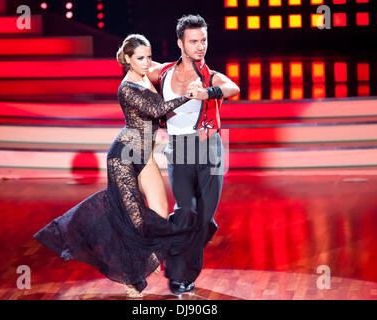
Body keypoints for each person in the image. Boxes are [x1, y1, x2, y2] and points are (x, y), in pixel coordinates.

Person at [33, 34, 206, 298]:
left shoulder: (146, 71)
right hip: (123, 158)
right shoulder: (126, 88)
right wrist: (190, 95)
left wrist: (189, 59)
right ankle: (131, 279)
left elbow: (171, 68)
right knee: (133, 222)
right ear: (127, 60)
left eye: (149, 56)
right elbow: (159, 109)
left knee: (159, 213)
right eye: (141, 58)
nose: (147, 62)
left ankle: (149, 258)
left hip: (145, 156)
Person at [147, 14, 240, 295]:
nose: (200, 46)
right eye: (194, 41)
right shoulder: (162, 73)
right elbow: (133, 66)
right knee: (185, 210)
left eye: (204, 40)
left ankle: (181, 250)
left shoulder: (210, 76)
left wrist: (207, 93)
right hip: (179, 148)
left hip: (209, 146)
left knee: (203, 219)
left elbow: (233, 88)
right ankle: (180, 274)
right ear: (180, 43)